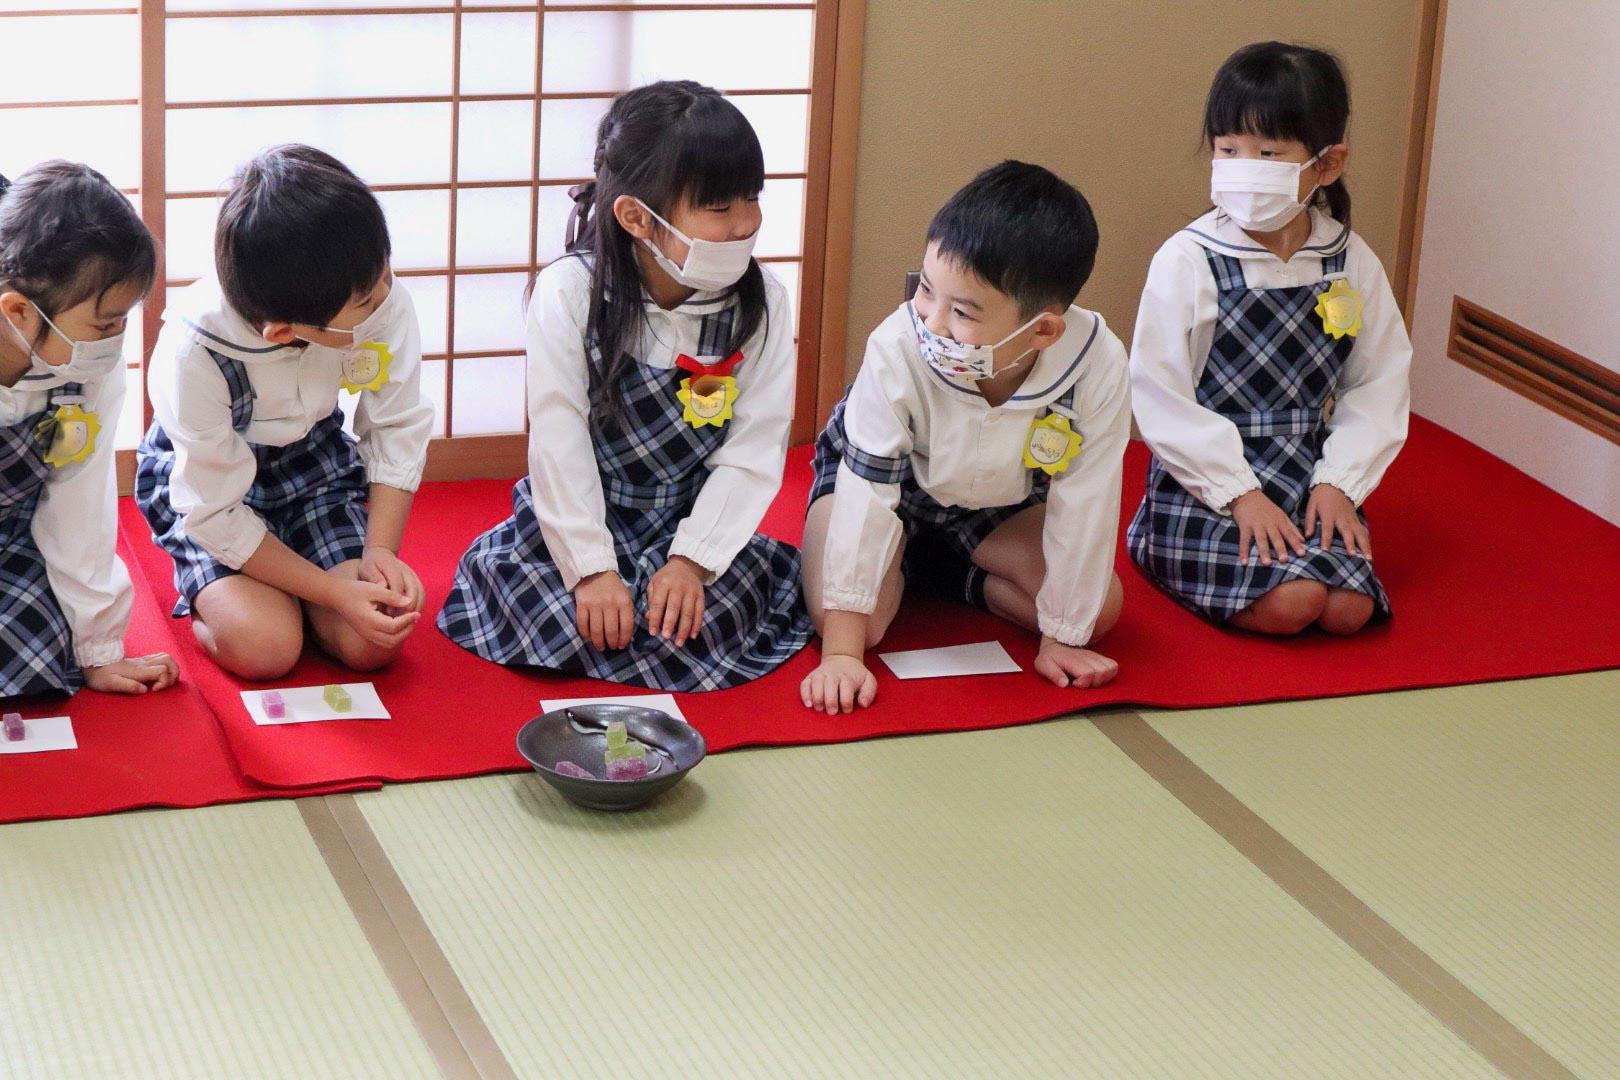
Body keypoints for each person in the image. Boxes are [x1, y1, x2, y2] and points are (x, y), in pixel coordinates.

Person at [439, 81, 811, 691]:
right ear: (637, 217)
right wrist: (590, 570)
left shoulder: (762, 302)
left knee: (700, 620)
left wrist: (691, 562)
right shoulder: (570, 292)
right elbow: (558, 439)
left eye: (752, 198)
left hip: (689, 518)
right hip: (585, 513)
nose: (745, 224)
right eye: (719, 208)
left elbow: (756, 447)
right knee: (550, 609)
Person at [800, 161, 1130, 714]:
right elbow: (867, 490)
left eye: (962, 312)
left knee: (1097, 615)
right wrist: (842, 654)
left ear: (1043, 330)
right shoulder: (897, 345)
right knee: (862, 625)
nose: (931, 322)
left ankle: (942, 569)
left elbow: (1087, 499)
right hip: (892, 487)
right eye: (927, 291)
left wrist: (1061, 637)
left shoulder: (1097, 363)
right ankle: (903, 561)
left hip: (998, 501)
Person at [1128, 42, 1412, 635]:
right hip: (1208, 479)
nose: (1241, 166)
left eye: (1267, 153)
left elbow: (1378, 381)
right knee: (1293, 604)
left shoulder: (1349, 259)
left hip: (1307, 471)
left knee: (1349, 611)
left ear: (1327, 165)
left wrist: (1340, 483)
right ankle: (1156, 539)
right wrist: (1238, 494)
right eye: (1228, 149)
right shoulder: (1189, 259)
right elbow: (1160, 394)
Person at [136, 146, 433, 680]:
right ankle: (231, 595)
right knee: (265, 649)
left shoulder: (368, 287)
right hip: (214, 485)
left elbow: (396, 423)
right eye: (367, 302)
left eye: (384, 273)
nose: (386, 298)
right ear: (283, 332)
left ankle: (288, 591)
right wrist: (333, 593)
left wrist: (380, 554)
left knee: (375, 642)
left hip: (312, 466)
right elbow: (215, 509)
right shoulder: (193, 353)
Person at [0, 163, 178, 698]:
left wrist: (99, 649)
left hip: (12, 538)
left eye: (123, 319)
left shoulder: (86, 365)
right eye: (104, 324)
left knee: (38, 658)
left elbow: (80, 504)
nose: (116, 338)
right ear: (19, 311)